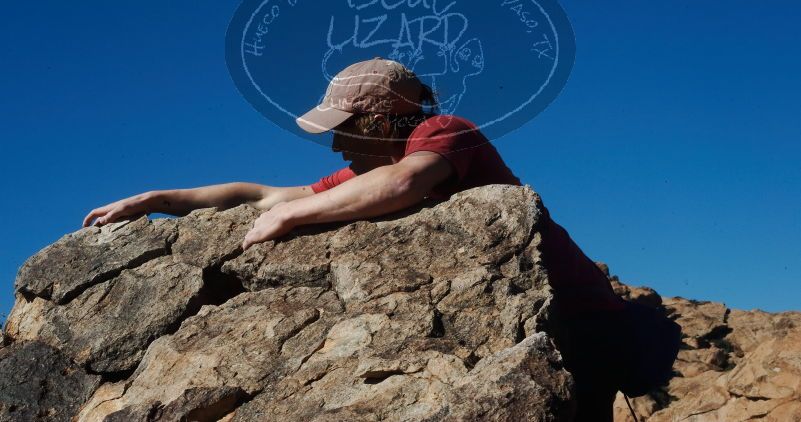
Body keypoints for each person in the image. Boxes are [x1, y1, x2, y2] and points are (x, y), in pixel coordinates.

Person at [82, 57, 628, 420]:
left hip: (586, 322)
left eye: (344, 128)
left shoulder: (443, 132)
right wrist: (154, 200)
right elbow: (260, 195)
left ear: (380, 121)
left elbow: (406, 181)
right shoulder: (368, 172)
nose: (336, 146)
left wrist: (295, 218)